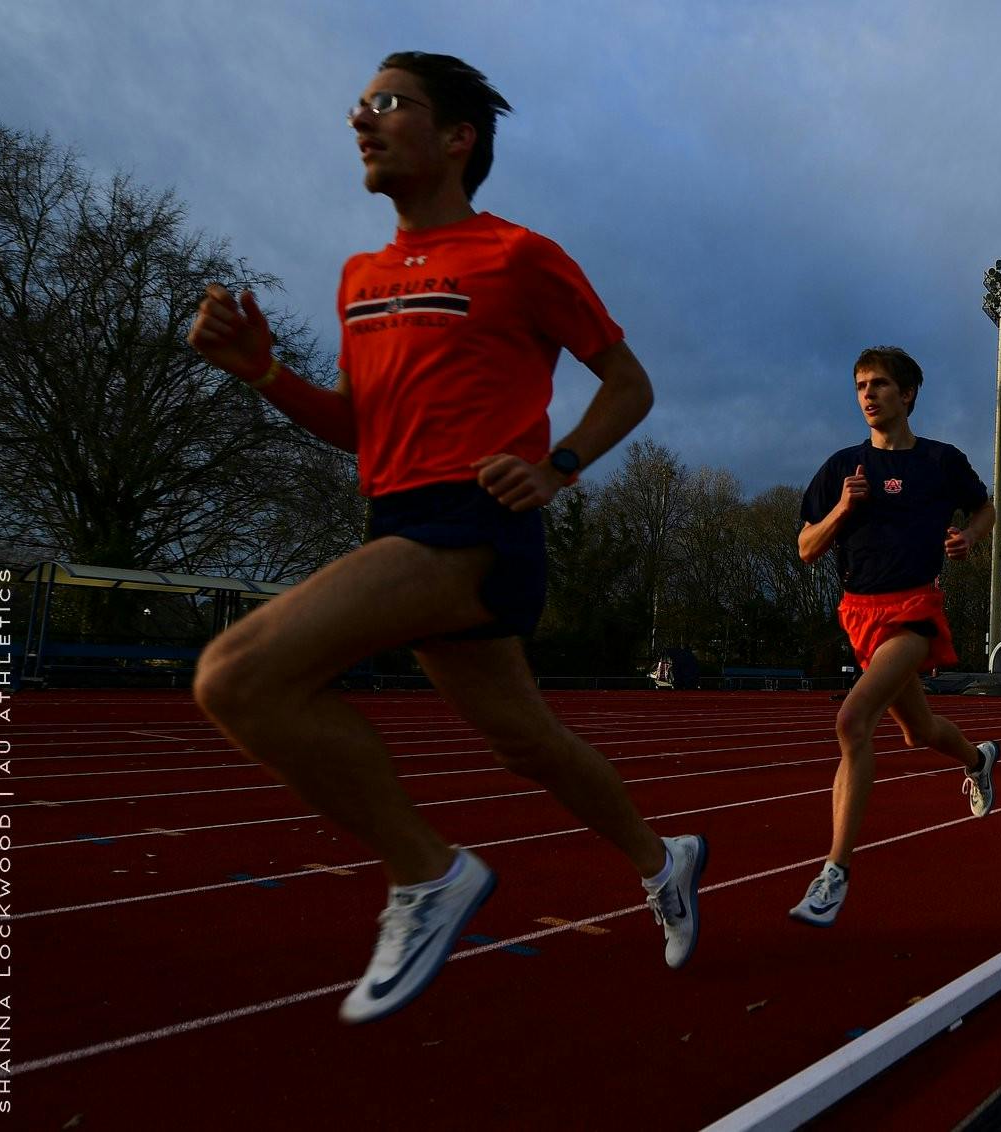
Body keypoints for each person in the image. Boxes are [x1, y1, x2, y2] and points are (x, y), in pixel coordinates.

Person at [185, 53, 705, 1024]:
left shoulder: (517, 256)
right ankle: (660, 858)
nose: (361, 120)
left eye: (389, 104)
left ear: (457, 137)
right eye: (359, 105)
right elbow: (358, 428)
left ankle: (427, 873)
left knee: (235, 676)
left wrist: (560, 465)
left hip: (476, 527)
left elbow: (626, 382)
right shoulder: (358, 276)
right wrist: (263, 372)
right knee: (528, 742)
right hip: (397, 518)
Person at [792, 346, 1000, 925]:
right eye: (860, 385)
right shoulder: (842, 467)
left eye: (880, 385)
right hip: (859, 612)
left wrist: (969, 537)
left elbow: (984, 509)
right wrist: (840, 510)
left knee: (852, 721)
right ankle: (977, 759)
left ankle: (834, 872)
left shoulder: (939, 462)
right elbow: (807, 549)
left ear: (907, 395)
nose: (867, 394)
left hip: (914, 609)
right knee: (917, 730)